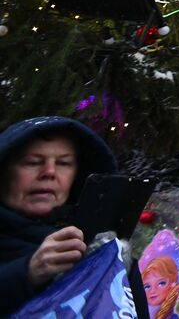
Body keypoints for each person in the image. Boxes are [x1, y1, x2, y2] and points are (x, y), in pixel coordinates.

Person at [0, 115, 126, 316]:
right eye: (32, 162)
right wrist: (27, 274)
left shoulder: (104, 243)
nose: (49, 172)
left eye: (63, 163)